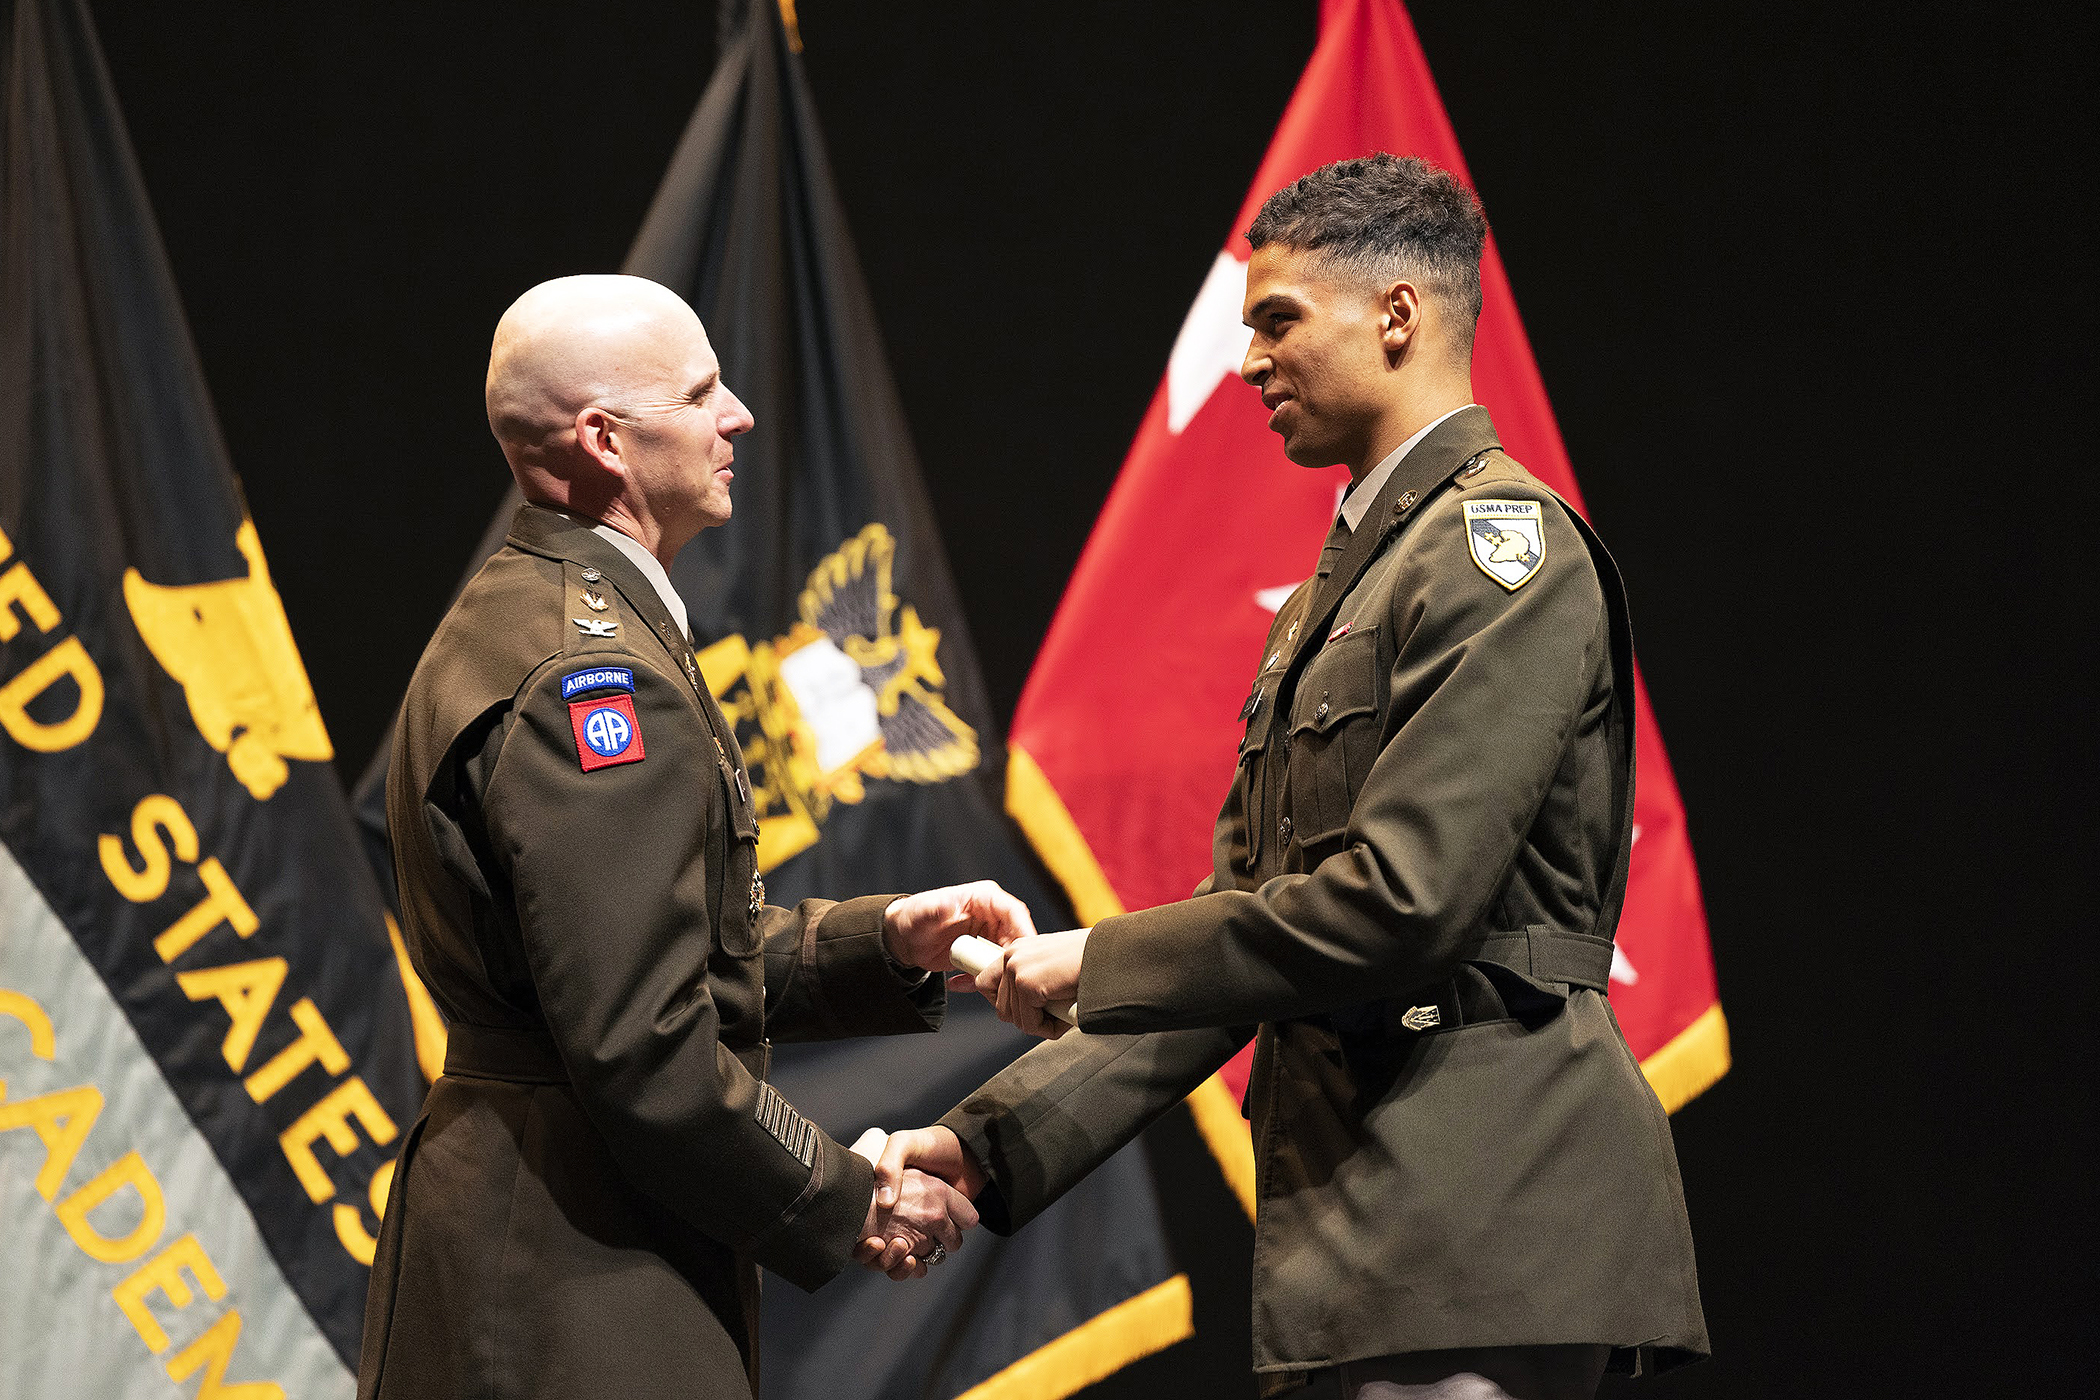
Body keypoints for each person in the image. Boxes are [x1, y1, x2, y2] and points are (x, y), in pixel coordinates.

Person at [872, 155, 1708, 1399]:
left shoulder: (1499, 552)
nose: (1250, 360)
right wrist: (984, 1144)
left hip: (1484, 1219)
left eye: (1277, 320)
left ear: (1397, 315)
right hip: (1374, 1233)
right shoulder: (1338, 595)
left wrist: (1093, 956)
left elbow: (1404, 901)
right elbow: (1237, 948)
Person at [359, 274, 1028, 1400]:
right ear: (604, 440)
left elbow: (624, 956)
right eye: (701, 392)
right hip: (577, 1281)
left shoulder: (522, 610)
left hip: (536, 1233)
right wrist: (848, 1196)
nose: (739, 416)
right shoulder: (592, 682)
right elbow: (641, 1039)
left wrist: (878, 945)